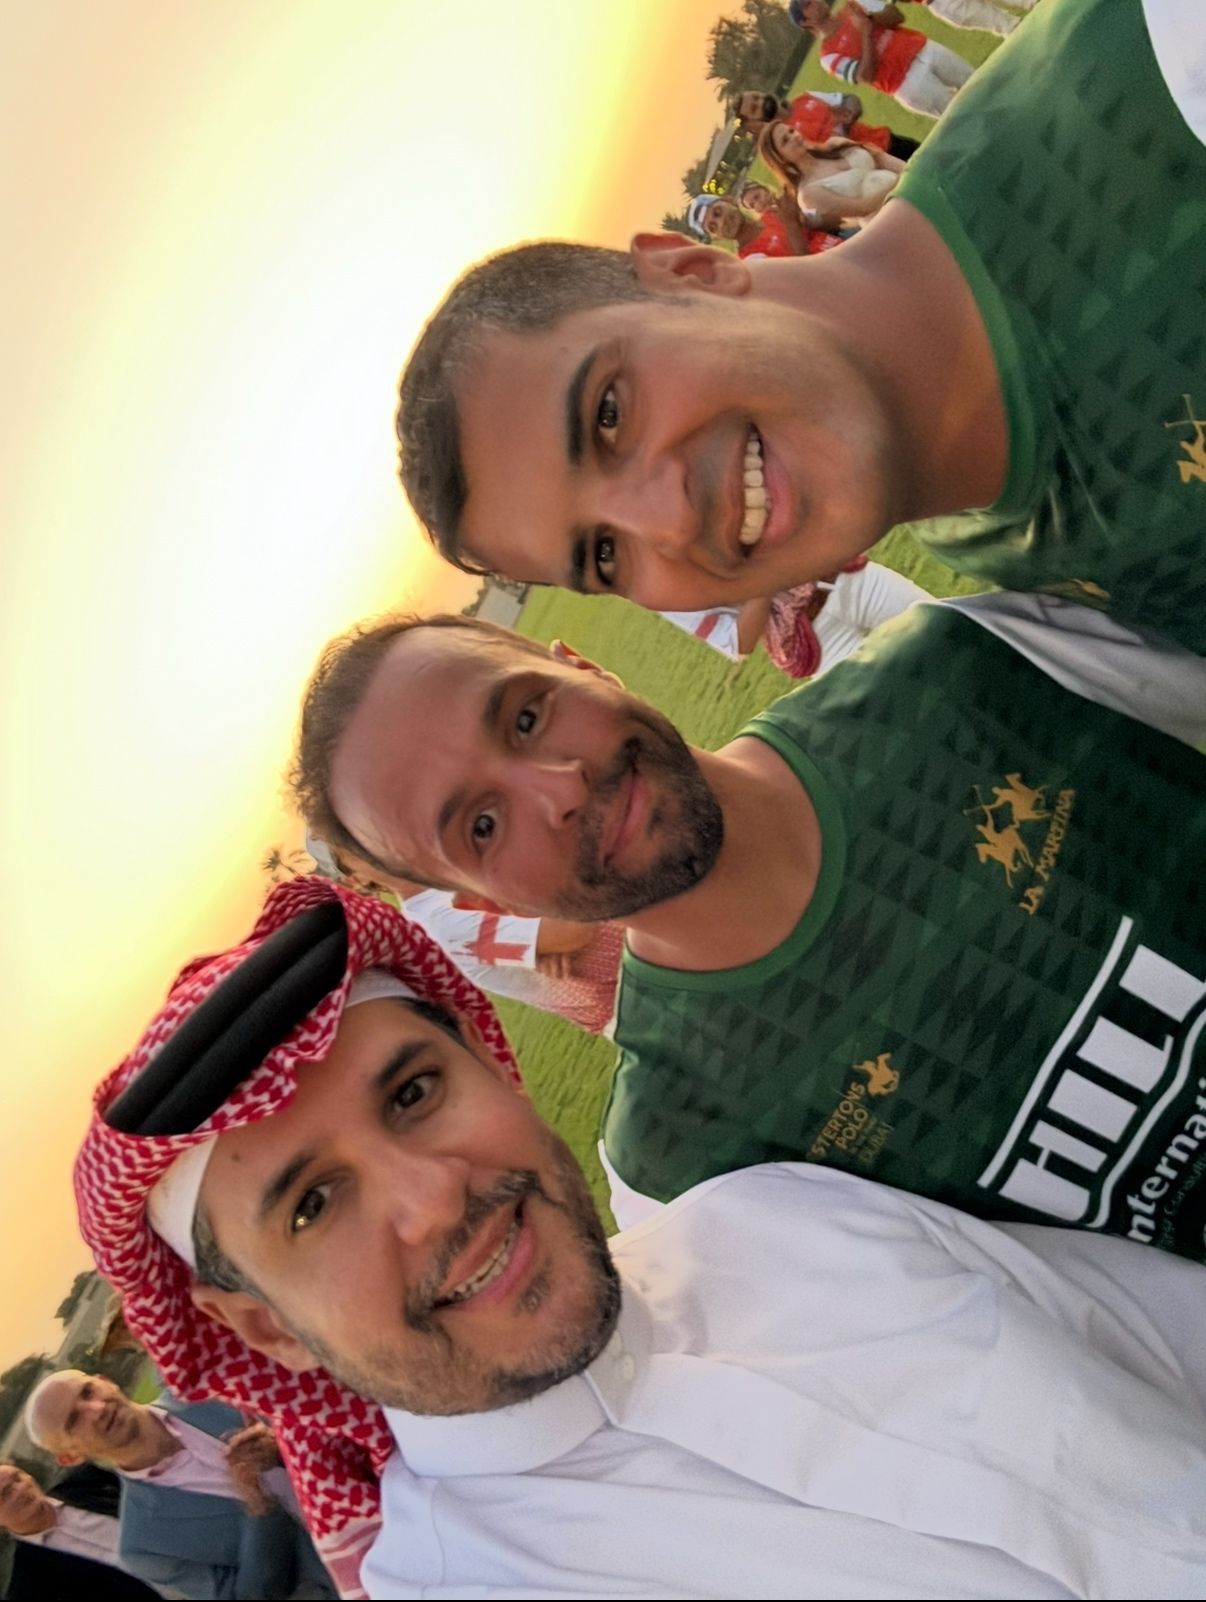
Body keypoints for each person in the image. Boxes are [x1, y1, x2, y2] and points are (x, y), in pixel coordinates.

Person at [74, 878, 1206, 1598]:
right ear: (265, 1327)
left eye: (414, 1093)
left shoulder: (780, 1216)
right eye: (314, 1206)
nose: (432, 1201)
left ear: (487, 1064)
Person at [291, 603, 1206, 1246]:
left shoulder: (960, 667)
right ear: (482, 904)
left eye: (527, 715)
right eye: (483, 826)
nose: (558, 787)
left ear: (580, 664)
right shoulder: (685, 1169)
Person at [395, 0, 1206, 656]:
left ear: (693, 270)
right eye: (604, 554)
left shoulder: (1153, 78)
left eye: (609, 413)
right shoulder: (996, 561)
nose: (670, 524)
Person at [23, 1373, 334, 1600]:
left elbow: (329, 1405)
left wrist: (284, 1445)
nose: (96, 1409)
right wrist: (259, 1508)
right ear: (70, 1457)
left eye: (88, 1391)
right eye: (74, 1420)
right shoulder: (143, 1546)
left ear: (106, 1380)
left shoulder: (207, 1385)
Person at [307, 834, 622, 1034]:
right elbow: (572, 933)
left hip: (633, 955)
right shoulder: (441, 924)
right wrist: (555, 915)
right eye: (350, 845)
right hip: (630, 1001)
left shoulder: (455, 871)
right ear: (355, 880)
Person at [661, 558, 929, 677]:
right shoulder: (659, 589)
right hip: (816, 642)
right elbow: (738, 643)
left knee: (947, 632)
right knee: (901, 713)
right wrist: (761, 581)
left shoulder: (715, 476)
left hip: (848, 579)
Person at [794, 0, 975, 118]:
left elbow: (897, 17)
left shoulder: (853, 6)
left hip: (922, 48)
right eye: (808, 5)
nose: (816, 2)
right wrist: (865, 31)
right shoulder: (828, 56)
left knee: (976, 80)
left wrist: (871, 16)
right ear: (805, 22)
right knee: (960, 114)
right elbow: (865, 76)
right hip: (906, 83)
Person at [758, 120, 905, 229]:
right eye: (785, 140)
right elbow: (863, 208)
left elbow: (879, 157)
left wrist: (909, 172)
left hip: (909, 188)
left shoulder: (835, 144)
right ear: (780, 158)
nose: (794, 137)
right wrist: (900, 182)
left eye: (791, 131)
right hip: (890, 223)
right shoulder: (808, 194)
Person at [731, 85, 919, 160]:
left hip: (886, 141)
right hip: (873, 168)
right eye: (754, 108)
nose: (760, 102)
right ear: (753, 123)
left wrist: (850, 112)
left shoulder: (806, 97)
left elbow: (850, 99)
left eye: (756, 97)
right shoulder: (783, 143)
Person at [686, 191, 844, 259]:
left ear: (729, 201)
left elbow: (834, 223)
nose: (722, 222)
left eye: (718, 212)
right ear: (716, 238)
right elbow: (805, 278)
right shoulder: (750, 261)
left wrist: (807, 217)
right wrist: (791, 224)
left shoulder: (772, 213)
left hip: (845, 247)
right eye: (713, 227)